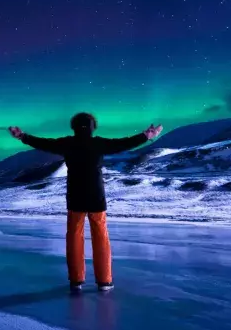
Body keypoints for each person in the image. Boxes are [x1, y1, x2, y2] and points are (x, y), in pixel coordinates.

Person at [8, 113, 162, 292]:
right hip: (96, 195)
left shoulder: (67, 143)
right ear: (93, 127)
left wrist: (22, 136)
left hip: (75, 195)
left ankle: (76, 280)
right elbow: (124, 143)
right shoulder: (99, 143)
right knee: (101, 237)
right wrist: (147, 135)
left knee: (74, 237)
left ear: (73, 127)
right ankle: (104, 281)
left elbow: (43, 143)